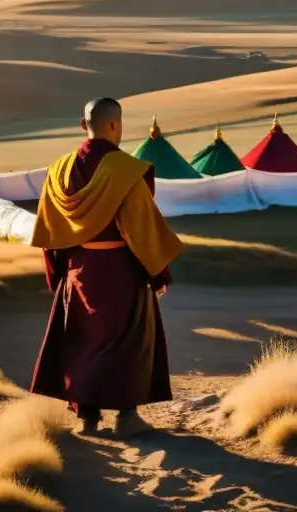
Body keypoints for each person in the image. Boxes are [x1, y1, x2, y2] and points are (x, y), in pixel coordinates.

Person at [29, 97, 184, 437]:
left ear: (84, 125)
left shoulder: (59, 171)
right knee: (127, 341)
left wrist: (58, 278)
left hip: (78, 273)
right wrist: (158, 274)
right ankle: (127, 417)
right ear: (114, 125)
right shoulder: (126, 170)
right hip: (120, 272)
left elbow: (49, 233)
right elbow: (140, 228)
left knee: (81, 342)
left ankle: (87, 419)